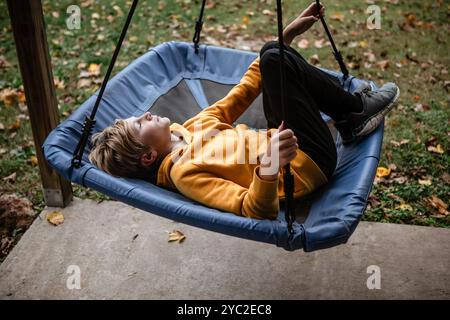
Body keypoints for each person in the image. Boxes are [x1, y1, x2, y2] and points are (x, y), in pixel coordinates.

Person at [88, 2, 399, 220]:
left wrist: (284, 38)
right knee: (274, 59)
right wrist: (268, 167)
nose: (145, 114)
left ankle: (351, 114)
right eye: (139, 124)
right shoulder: (185, 174)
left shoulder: (191, 126)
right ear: (147, 156)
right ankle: (354, 111)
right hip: (303, 165)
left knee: (270, 54)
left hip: (289, 140)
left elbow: (243, 91)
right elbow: (252, 208)